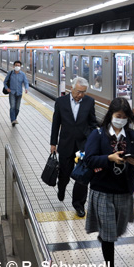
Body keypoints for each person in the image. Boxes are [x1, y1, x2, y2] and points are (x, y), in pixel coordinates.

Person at [84, 97, 134, 267]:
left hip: (124, 191)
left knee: (115, 231)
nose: (121, 119)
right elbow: (89, 160)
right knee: (109, 235)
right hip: (102, 190)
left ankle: (105, 237)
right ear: (111, 115)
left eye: (125, 116)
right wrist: (109, 158)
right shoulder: (98, 134)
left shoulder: (132, 136)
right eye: (118, 115)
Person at [50, 77, 97, 217]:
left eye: (83, 92)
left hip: (83, 146)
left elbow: (92, 123)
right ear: (72, 88)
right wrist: (53, 143)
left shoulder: (89, 102)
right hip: (65, 144)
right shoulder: (61, 102)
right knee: (64, 173)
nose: (80, 95)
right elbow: (56, 123)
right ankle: (61, 187)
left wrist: (92, 140)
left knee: (82, 176)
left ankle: (79, 204)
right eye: (78, 92)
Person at [4, 60, 29, 126]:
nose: (17, 67)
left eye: (18, 65)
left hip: (19, 93)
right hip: (12, 92)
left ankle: (14, 118)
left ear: (20, 66)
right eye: (16, 65)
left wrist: (26, 88)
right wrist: (7, 88)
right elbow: (5, 82)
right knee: (12, 107)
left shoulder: (22, 74)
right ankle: (13, 120)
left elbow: (26, 82)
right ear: (13, 66)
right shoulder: (10, 73)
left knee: (17, 108)